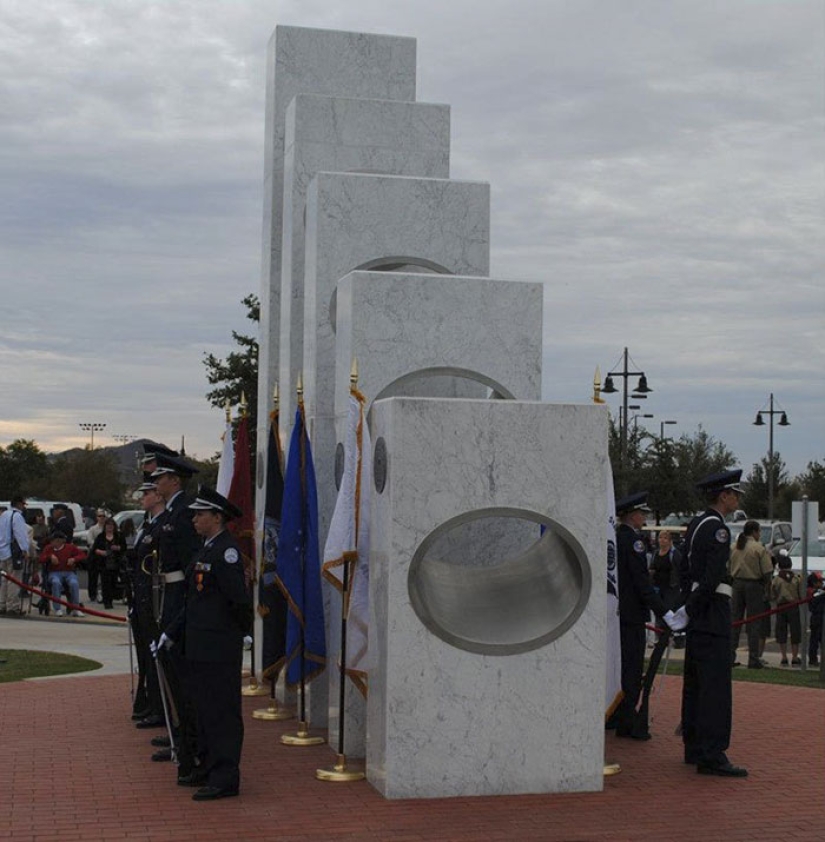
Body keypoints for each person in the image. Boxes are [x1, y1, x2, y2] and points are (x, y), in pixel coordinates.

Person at [163, 485, 252, 800]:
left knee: (222, 713)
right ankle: (208, 766)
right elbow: (195, 601)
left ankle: (225, 776)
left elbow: (238, 601)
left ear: (217, 517)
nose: (194, 519)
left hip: (218, 648)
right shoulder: (206, 549)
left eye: (200, 514)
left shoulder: (225, 552)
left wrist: (240, 633)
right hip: (200, 645)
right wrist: (171, 632)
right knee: (204, 711)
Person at [681, 469, 747, 777]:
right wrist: (695, 606)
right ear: (724, 495)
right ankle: (712, 753)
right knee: (715, 685)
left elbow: (685, 569)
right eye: (735, 493)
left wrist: (685, 606)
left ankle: (694, 747)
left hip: (698, 610)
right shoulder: (719, 529)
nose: (737, 499)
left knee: (695, 682)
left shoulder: (696, 524)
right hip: (711, 610)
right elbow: (710, 577)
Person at [612, 491, 679, 740]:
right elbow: (642, 584)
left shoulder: (615, 538)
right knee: (631, 669)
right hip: (631, 614)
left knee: (618, 667)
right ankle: (627, 720)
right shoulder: (634, 542)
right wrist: (664, 612)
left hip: (616, 613)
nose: (644, 517)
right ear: (633, 515)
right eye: (642, 513)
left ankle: (616, 714)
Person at [150, 452, 201, 776]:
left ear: (175, 480)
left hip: (178, 594)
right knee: (169, 671)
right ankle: (177, 736)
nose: (156, 482)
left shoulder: (184, 513)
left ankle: (185, 741)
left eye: (161, 477)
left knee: (180, 675)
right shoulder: (172, 510)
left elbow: (188, 563)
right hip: (166, 593)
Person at [729, 520, 774, 669]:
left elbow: (727, 567)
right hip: (754, 585)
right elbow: (767, 571)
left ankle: (730, 656)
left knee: (735, 621)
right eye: (759, 531)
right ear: (754, 532)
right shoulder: (758, 548)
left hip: (736, 584)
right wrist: (768, 588)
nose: (759, 534)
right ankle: (753, 658)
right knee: (754, 622)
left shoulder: (734, 546)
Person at [39, 531, 86, 617]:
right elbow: (41, 559)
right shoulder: (48, 548)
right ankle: (57, 608)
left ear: (61, 541)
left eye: (56, 540)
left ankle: (76, 608)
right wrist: (50, 557)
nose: (53, 542)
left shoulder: (70, 548)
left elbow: (82, 555)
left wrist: (74, 559)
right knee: (56, 583)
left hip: (69, 572)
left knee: (74, 583)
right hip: (54, 572)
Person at [0, 495, 30, 616]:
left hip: (2, 551)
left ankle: (2, 604)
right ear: (18, 504)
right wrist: (25, 550)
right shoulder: (17, 516)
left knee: (4, 580)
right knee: (14, 580)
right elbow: (20, 534)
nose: (24, 507)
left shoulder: (4, 515)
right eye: (23, 504)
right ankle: (13, 606)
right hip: (13, 552)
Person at [771, 556, 804, 665]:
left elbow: (772, 594)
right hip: (793, 606)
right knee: (795, 632)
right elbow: (801, 594)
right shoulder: (796, 578)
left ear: (779, 566)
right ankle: (795, 657)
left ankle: (784, 657)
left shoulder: (776, 579)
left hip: (781, 606)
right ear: (790, 565)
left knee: (781, 632)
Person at [90, 517, 124, 610]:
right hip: (103, 563)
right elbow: (94, 549)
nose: (109, 527)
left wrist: (118, 548)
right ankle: (107, 602)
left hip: (115, 563)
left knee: (113, 582)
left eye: (111, 525)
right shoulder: (100, 536)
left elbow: (124, 548)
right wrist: (100, 552)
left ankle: (111, 598)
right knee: (105, 583)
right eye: (108, 525)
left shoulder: (119, 536)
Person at [649, 530, 683, 611]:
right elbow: (652, 567)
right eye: (660, 537)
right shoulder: (655, 553)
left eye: (665, 538)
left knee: (669, 611)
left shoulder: (675, 554)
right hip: (657, 587)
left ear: (670, 541)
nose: (662, 540)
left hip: (671, 588)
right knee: (658, 610)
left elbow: (681, 569)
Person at [85, 509, 108, 602]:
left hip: (105, 555)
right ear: (96, 518)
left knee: (105, 577)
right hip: (94, 555)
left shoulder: (108, 528)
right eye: (100, 516)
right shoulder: (93, 529)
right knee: (93, 576)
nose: (101, 518)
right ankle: (92, 594)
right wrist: (98, 546)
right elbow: (90, 541)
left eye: (103, 516)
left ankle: (105, 594)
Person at [807, 572, 824, 666]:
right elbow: (814, 601)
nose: (822, 583)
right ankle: (813, 659)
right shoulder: (814, 592)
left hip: (819, 617)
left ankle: (814, 659)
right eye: (820, 581)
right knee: (815, 640)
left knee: (818, 639)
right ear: (814, 582)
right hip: (817, 617)